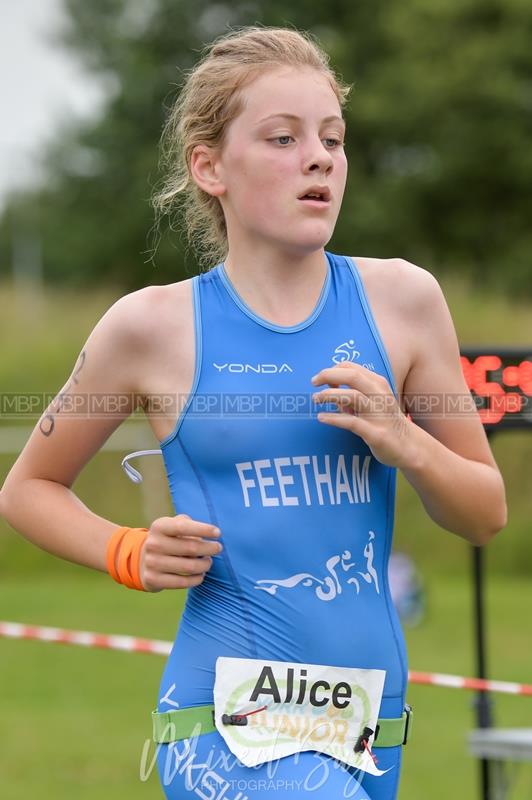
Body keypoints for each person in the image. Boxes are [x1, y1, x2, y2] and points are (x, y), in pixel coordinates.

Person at [0, 24, 507, 800]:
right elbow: (28, 488)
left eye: (332, 139)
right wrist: (126, 551)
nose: (319, 158)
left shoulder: (406, 302)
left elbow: (484, 514)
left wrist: (405, 441)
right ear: (210, 167)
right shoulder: (150, 327)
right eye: (283, 137)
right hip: (226, 718)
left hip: (374, 722)